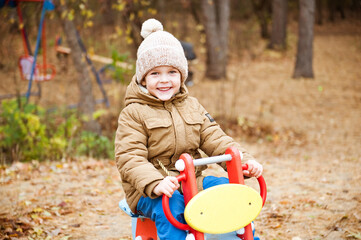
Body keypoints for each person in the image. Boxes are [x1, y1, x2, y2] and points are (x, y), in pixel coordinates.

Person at [115, 19, 263, 240]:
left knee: (229, 190)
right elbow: (129, 157)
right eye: (155, 74)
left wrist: (243, 162)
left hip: (192, 180)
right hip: (150, 189)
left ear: (182, 75)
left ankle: (238, 235)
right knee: (172, 204)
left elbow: (215, 138)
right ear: (143, 79)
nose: (164, 80)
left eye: (172, 72)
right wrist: (155, 183)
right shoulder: (134, 113)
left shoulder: (191, 106)